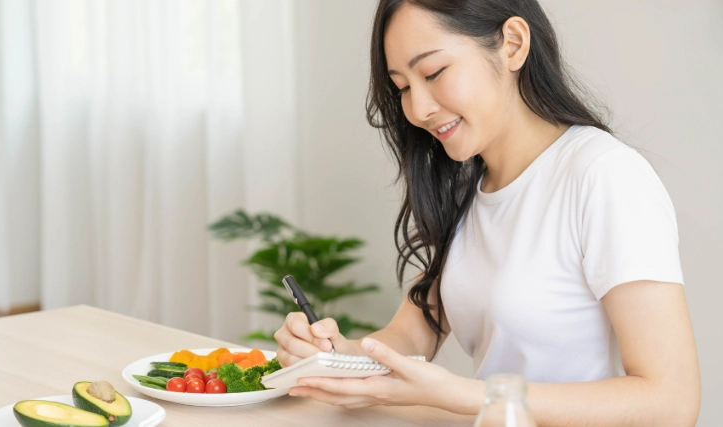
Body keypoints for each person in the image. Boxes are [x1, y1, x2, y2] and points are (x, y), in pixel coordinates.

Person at [275, 0, 701, 425]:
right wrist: (339, 353)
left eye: (434, 73)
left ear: (513, 44)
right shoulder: (465, 189)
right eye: (403, 87)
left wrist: (463, 394)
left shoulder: (603, 174)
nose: (418, 109)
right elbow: (410, 332)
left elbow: (671, 402)